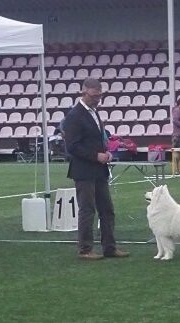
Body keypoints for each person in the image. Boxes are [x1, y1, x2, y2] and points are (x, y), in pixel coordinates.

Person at [63, 77, 129, 260]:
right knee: (87, 209)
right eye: (94, 96)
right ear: (84, 93)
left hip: (99, 169)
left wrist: (105, 152)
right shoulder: (74, 116)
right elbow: (73, 146)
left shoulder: (94, 112)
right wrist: (95, 156)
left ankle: (109, 246)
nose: (97, 99)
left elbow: (95, 138)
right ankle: (85, 249)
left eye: (100, 96)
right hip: (84, 170)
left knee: (107, 209)